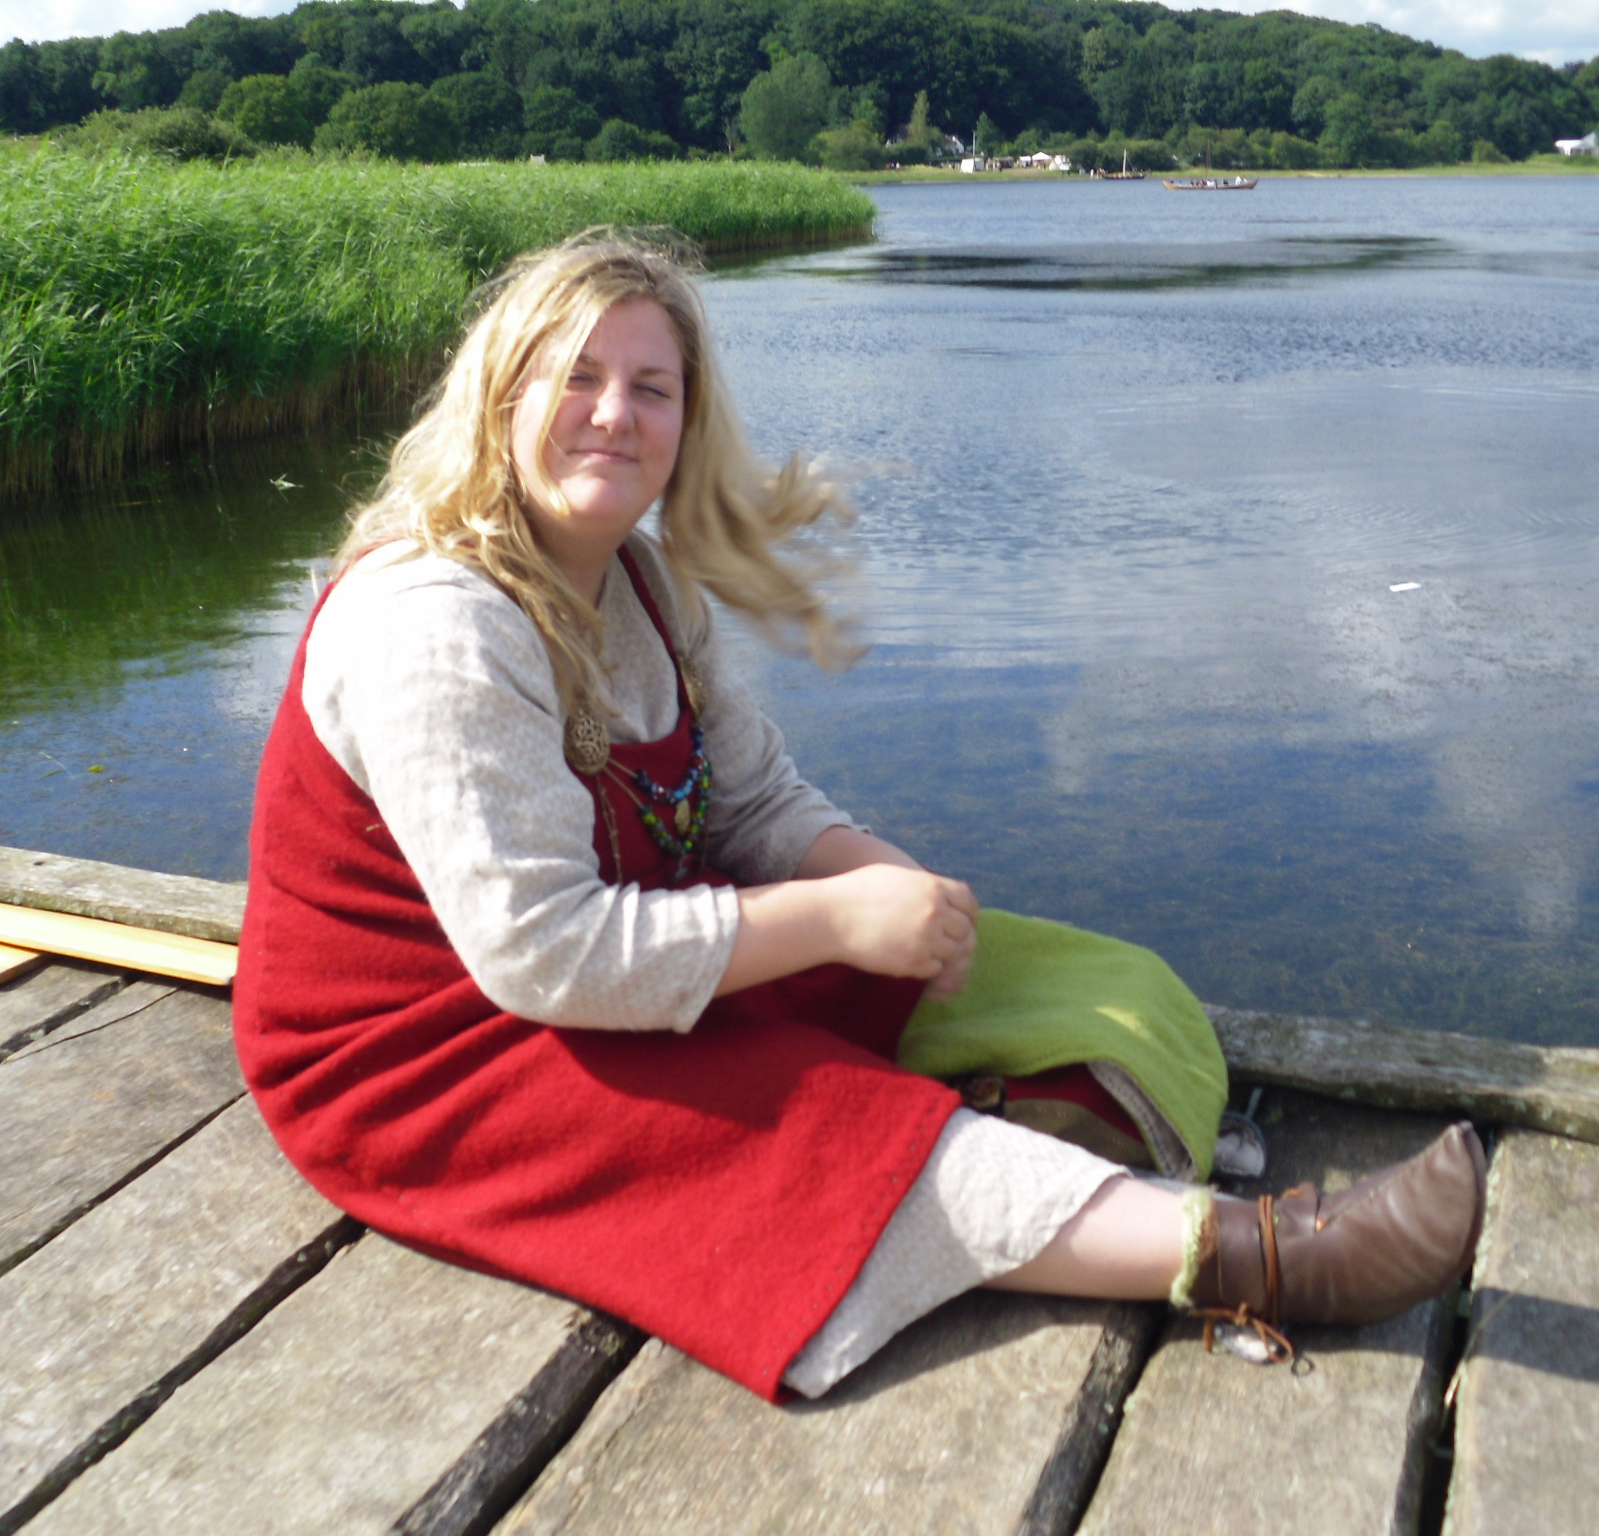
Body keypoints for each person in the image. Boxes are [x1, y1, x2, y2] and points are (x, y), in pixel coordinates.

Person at [233, 229, 1486, 1403]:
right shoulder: (433, 624)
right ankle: (1266, 1257)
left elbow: (752, 799)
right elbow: (544, 953)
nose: (613, 414)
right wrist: (836, 920)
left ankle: (1064, 1144)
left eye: (651, 388)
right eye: (575, 378)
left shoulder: (641, 582)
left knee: (1084, 980)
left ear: (686, 421)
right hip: (428, 1057)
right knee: (816, 1126)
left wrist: (889, 887)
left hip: (609, 956)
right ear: (498, 398)